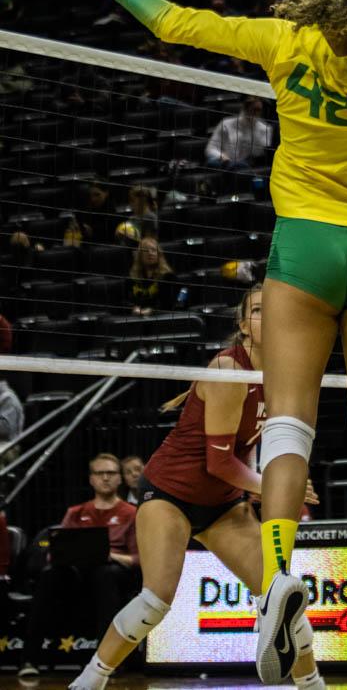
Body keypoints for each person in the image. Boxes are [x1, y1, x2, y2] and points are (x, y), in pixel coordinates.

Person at [71, 0, 347, 684]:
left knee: (289, 419)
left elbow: (174, 23)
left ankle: (281, 572)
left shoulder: (282, 43)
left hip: (306, 247)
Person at [69, 286, 324, 690]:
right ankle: (89, 681)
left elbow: (254, 446)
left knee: (282, 595)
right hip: (170, 493)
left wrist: (268, 484)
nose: (268, 316)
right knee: (156, 601)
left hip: (223, 504)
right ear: (244, 326)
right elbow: (219, 461)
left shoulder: (288, 374)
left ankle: (313, 685)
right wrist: (272, 487)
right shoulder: (226, 369)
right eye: (258, 310)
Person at [18, 453, 140, 679]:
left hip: (113, 574)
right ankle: (30, 659)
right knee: (50, 576)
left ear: (119, 479)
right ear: (91, 479)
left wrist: (108, 555)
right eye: (99, 473)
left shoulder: (131, 514)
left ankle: (105, 662)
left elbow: (137, 559)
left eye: (111, 473)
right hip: (77, 572)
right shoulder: (76, 512)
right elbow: (55, 552)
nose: (105, 478)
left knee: (105, 574)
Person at [205, 96, 273, 169]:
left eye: (258, 110)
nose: (255, 113)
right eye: (253, 110)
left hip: (246, 166)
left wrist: (253, 128)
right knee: (212, 162)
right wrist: (222, 157)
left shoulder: (265, 129)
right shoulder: (226, 123)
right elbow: (210, 149)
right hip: (224, 163)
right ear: (244, 109)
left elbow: (257, 153)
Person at [128, 236, 177, 315]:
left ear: (158, 254)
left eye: (153, 250)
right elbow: (124, 300)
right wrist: (133, 308)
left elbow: (170, 304)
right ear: (140, 255)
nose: (150, 253)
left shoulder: (168, 277)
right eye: (146, 250)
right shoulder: (132, 277)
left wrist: (152, 311)